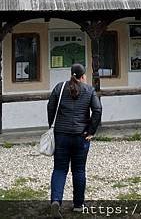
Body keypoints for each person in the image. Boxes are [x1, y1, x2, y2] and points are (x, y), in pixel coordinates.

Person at [48, 64, 102, 217]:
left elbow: (50, 107)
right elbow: (97, 110)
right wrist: (91, 130)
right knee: (79, 170)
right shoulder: (89, 90)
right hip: (81, 136)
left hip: (61, 135)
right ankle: (78, 204)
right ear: (83, 76)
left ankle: (56, 201)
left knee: (59, 169)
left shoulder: (59, 87)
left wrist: (52, 126)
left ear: (71, 75)